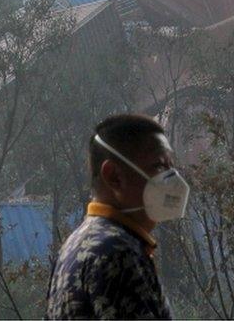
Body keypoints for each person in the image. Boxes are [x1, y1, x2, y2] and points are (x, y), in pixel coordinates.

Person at [46, 114, 190, 320]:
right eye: (158, 166)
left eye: (170, 165)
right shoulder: (117, 252)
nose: (172, 178)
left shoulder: (76, 245)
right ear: (114, 176)